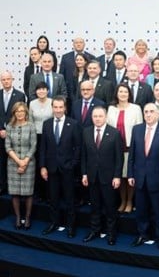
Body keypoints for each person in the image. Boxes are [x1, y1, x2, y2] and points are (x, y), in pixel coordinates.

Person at [128, 103, 159, 250]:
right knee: (141, 210)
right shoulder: (137, 129)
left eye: (151, 112)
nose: (148, 114)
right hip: (139, 178)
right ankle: (143, 234)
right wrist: (130, 173)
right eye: (146, 112)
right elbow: (132, 155)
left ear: (157, 114)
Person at [81, 107, 123, 245]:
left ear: (105, 117)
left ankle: (111, 234)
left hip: (109, 177)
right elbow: (84, 155)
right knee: (95, 206)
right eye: (95, 116)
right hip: (92, 176)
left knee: (110, 207)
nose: (97, 118)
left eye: (100, 116)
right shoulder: (86, 132)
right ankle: (95, 230)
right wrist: (84, 174)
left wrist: (117, 176)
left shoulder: (115, 133)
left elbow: (119, 157)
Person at [39, 97, 81, 238]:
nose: (58, 110)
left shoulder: (73, 124)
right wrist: (43, 166)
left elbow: (78, 147)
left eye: (60, 107)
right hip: (51, 169)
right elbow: (43, 147)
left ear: (65, 108)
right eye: (55, 107)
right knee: (53, 198)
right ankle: (54, 223)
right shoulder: (47, 124)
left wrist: (73, 164)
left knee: (70, 199)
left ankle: (70, 226)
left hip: (68, 168)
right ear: (52, 108)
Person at [106, 83, 143, 213]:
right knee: (120, 176)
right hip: (115, 149)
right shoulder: (111, 109)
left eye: (125, 92)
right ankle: (122, 200)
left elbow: (139, 129)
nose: (123, 94)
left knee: (129, 177)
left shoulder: (136, 108)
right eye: (120, 91)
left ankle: (129, 201)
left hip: (130, 148)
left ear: (129, 94)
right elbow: (108, 129)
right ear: (116, 93)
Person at [5, 102, 36, 230]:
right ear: (14, 113)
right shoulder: (9, 127)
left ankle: (27, 217)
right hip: (13, 163)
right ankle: (18, 217)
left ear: (26, 113)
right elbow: (7, 146)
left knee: (28, 193)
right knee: (15, 193)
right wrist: (18, 161)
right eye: (17, 111)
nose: (20, 113)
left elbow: (33, 145)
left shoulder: (31, 126)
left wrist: (25, 162)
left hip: (29, 163)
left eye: (22, 111)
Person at [1, 71, 28, 195]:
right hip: (1, 134)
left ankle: (15, 187)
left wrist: (10, 130)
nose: (6, 81)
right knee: (1, 161)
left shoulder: (20, 95)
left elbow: (21, 115)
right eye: (3, 79)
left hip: (16, 134)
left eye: (8, 79)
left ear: (12, 79)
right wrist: (1, 129)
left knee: (14, 160)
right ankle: (2, 186)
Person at [28, 82, 52, 200]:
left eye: (43, 89)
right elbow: (30, 121)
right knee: (38, 163)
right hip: (36, 136)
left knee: (48, 163)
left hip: (50, 137)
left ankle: (49, 192)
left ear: (47, 90)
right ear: (36, 91)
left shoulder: (52, 102)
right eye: (39, 89)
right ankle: (38, 192)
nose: (41, 91)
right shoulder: (32, 103)